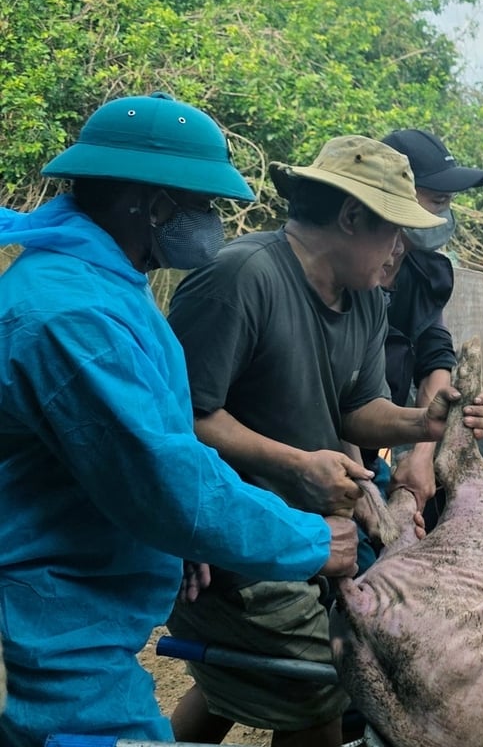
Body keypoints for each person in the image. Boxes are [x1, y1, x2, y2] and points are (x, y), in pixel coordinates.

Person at [0, 93, 360, 747]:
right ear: (147, 202)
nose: (211, 222)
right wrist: (310, 540)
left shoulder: (105, 285)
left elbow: (136, 447)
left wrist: (181, 540)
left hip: (99, 597)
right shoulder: (72, 318)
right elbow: (164, 476)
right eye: (199, 205)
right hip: (67, 612)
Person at [164, 134, 483, 747]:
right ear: (350, 216)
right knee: (325, 674)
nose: (402, 248)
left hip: (317, 537)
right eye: (395, 229)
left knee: (232, 680)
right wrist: (294, 465)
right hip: (231, 541)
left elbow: (355, 408)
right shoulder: (239, 277)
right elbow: (179, 415)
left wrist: (423, 424)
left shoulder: (368, 299)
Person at [365, 128, 483, 533]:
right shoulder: (348, 276)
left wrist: (422, 453)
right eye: (437, 199)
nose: (445, 212)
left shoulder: (423, 271)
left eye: (449, 202)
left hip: (378, 433)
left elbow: (435, 353)